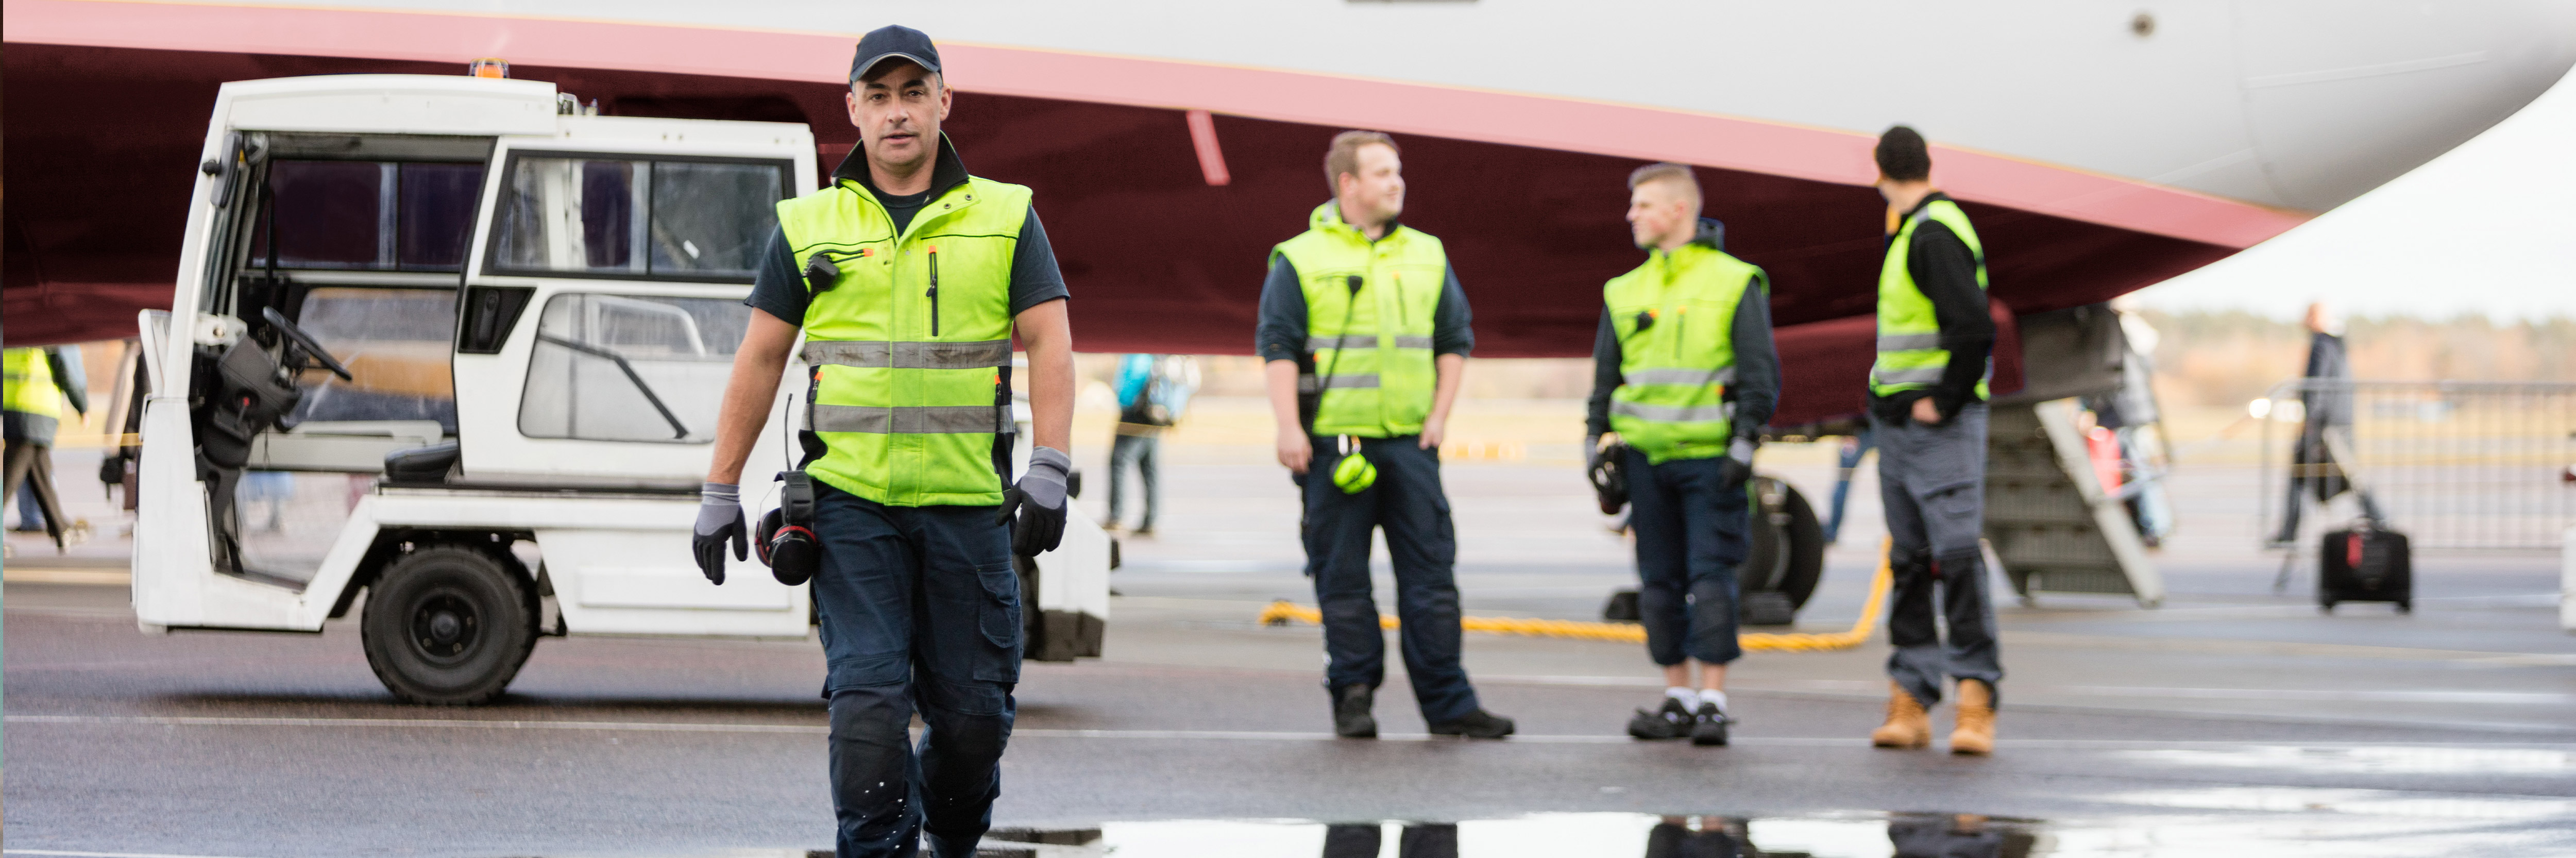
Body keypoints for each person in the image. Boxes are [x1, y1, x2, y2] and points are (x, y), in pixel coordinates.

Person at [688, 26, 1076, 858]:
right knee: (866, 711)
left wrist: (1051, 465)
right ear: (853, 109)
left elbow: (1049, 342)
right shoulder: (807, 226)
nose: (897, 113)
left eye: (913, 93)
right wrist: (720, 489)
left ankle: (953, 829)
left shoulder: (1008, 217)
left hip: (970, 510)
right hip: (851, 509)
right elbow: (760, 357)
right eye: (879, 95)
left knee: (972, 722)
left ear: (945, 101)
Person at [1256, 130, 1514, 739]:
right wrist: (1289, 427)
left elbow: (1454, 341)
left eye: (1397, 172)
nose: (1396, 183)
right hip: (1332, 446)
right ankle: (1352, 698)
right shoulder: (1298, 258)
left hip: (1408, 446)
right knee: (1340, 580)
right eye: (1381, 173)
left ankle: (1449, 706)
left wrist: (1438, 418)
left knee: (1431, 581)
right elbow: (1278, 349)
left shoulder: (1427, 253)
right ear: (1348, 184)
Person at [1584, 163, 1778, 746]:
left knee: (1711, 575)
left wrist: (1744, 443)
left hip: (1709, 460)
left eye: (1641, 205)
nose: (1631, 215)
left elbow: (1758, 373)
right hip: (1644, 461)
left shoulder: (1733, 281)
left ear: (1677, 211)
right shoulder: (1624, 291)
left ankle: (1713, 700)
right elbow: (1604, 382)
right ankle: (1677, 695)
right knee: (1658, 582)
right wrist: (1592, 450)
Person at [1861, 126, 2003, 755]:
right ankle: (1912, 698)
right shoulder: (1914, 231)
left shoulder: (1930, 233)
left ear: (1880, 174)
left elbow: (1974, 326)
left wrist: (1940, 401)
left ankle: (1973, 701)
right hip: (1899, 426)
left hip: (1935, 428)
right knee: (1912, 563)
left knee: (1954, 561)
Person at [2269, 300, 2384, 545]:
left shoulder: (2322, 344)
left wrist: (2311, 419)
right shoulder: (2337, 343)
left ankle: (2378, 517)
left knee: (2346, 475)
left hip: (2326, 423)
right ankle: (2289, 530)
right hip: (2335, 419)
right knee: (2308, 474)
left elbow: (2318, 386)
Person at [4, 345, 90, 548]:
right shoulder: (44, 326)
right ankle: (61, 529)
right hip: (37, 407)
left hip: (16, 406)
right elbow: (64, 369)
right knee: (10, 480)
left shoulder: (14, 326)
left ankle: (61, 529)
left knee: (40, 471)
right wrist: (81, 405)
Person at [1106, 354, 1195, 535]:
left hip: (1137, 413)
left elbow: (1130, 384)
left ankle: (1116, 516)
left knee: (1119, 462)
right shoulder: (1162, 354)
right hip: (1156, 415)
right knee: (1149, 467)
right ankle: (1151, 519)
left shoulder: (1139, 353)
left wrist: (1124, 404)